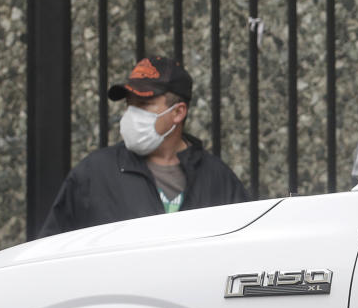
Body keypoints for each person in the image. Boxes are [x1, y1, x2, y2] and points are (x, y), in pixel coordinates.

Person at [39, 56, 249, 237]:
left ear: (178, 112)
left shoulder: (216, 178)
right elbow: (51, 250)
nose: (132, 114)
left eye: (144, 105)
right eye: (130, 104)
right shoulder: (93, 174)